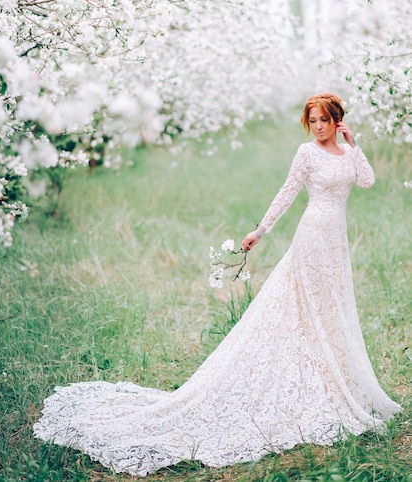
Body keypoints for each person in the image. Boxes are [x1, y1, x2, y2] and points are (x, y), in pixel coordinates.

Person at [34, 93, 401, 478]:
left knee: (333, 308)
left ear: (337, 119)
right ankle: (310, 380)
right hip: (311, 238)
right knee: (306, 308)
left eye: (325, 119)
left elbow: (368, 181)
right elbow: (287, 193)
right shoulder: (306, 153)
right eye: (314, 121)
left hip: (336, 243)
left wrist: (353, 141)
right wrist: (261, 229)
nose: (320, 126)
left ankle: (331, 379)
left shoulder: (346, 152)